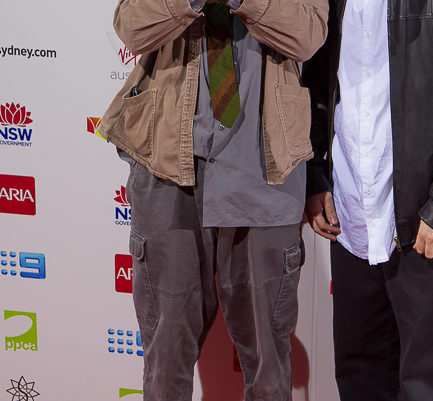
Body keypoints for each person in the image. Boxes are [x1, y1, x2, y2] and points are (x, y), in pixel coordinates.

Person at [98, 0, 328, 399]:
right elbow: (132, 26)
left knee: (268, 363)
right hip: (168, 167)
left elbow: (308, 35)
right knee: (166, 355)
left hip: (266, 170)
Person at [302, 0, 433, 400]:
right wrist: (313, 175)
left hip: (427, 223)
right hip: (351, 218)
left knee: (432, 386)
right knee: (360, 377)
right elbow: (315, 85)